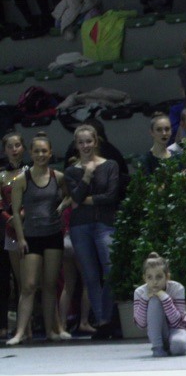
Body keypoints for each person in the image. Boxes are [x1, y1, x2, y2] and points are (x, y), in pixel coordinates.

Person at [4, 135, 69, 345]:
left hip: (53, 235)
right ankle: (20, 332)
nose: (41, 155)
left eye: (44, 151)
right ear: (31, 153)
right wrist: (21, 238)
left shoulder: (58, 176)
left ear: (50, 153)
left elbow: (69, 195)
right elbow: (15, 211)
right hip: (31, 236)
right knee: (29, 285)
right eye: (37, 151)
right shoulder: (22, 179)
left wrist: (62, 206)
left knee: (50, 285)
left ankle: (51, 331)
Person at [64, 123, 121, 340]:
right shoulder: (71, 171)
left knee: (111, 270)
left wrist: (85, 200)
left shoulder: (110, 165)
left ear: (95, 141)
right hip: (80, 226)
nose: (85, 145)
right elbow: (75, 198)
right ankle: (102, 321)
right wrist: (86, 176)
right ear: (76, 145)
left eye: (89, 141)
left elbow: (111, 196)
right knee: (90, 276)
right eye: (81, 142)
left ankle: (107, 316)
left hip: (105, 223)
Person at [133, 252, 186, 356]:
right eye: (150, 277)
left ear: (167, 277)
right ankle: (157, 348)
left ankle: (171, 346)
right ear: (144, 278)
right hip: (159, 332)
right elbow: (141, 324)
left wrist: (165, 298)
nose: (154, 282)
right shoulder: (140, 292)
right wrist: (144, 299)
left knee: (178, 346)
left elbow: (176, 322)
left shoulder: (177, 288)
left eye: (159, 277)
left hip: (178, 329)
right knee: (154, 301)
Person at [1, 132, 29, 340]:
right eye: (10, 146)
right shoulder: (1, 175)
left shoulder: (30, 171)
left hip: (30, 226)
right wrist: (10, 218)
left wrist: (23, 214)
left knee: (30, 281)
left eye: (17, 145)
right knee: (12, 279)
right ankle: (14, 326)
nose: (14, 149)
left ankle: (29, 325)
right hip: (8, 228)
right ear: (4, 150)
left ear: (23, 148)